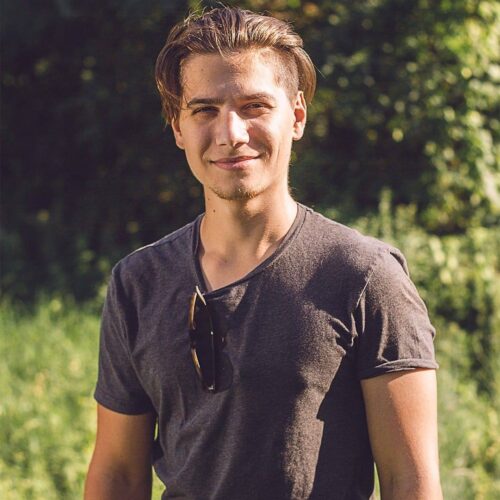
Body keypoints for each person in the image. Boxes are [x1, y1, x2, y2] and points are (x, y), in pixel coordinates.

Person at [84, 6, 442, 500]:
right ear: (177, 127)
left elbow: (410, 482)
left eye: (254, 106)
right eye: (204, 110)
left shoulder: (364, 277)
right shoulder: (138, 283)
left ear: (296, 115)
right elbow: (118, 475)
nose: (230, 134)